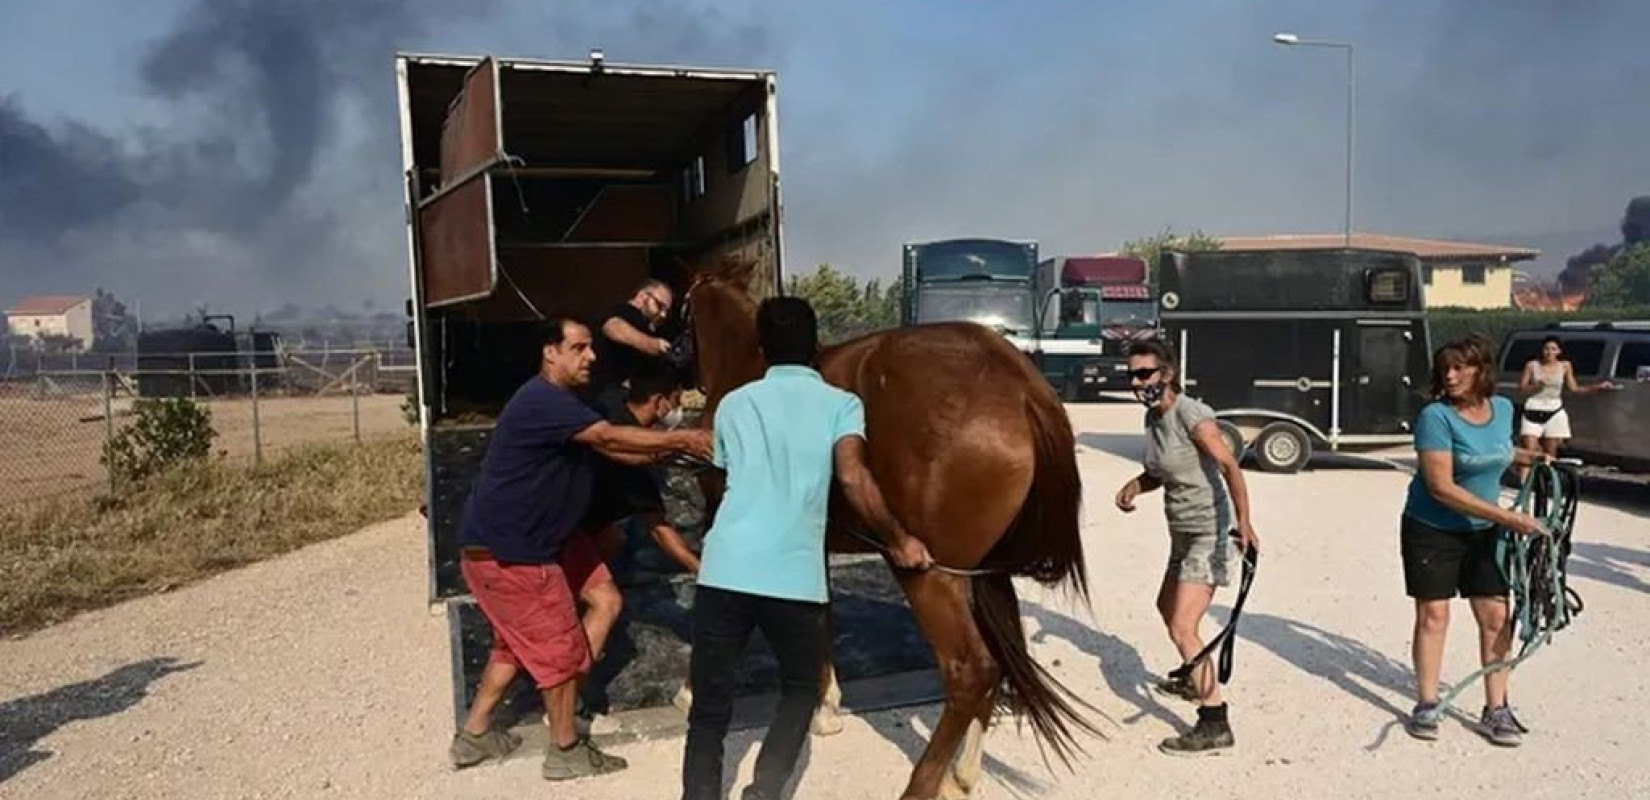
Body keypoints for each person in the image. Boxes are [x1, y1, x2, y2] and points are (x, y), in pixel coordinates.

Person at [681, 297, 933, 800]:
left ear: (762, 346)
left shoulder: (733, 403)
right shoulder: (841, 405)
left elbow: (725, 472)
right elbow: (854, 477)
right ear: (815, 343)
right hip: (793, 579)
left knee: (710, 703)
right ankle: (765, 791)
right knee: (799, 691)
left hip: (724, 570)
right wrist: (899, 540)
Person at [448, 316, 712, 781]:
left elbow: (616, 450)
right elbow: (610, 438)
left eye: (591, 347)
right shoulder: (543, 401)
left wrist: (670, 451)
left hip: (546, 539)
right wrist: (682, 436)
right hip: (511, 551)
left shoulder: (568, 404)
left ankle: (474, 735)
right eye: (580, 347)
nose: (591, 356)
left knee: (591, 606)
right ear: (551, 352)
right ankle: (565, 748)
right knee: (559, 649)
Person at [1401, 335, 1550, 747]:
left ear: (1481, 370)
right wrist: (1509, 517)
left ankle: (1497, 708)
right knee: (1434, 616)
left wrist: (1537, 460)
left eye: (1460, 367)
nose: (1450, 376)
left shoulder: (1502, 409)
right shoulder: (1435, 417)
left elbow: (1497, 452)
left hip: (1485, 531)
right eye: (1445, 368)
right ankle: (1427, 703)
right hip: (1433, 528)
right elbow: (1441, 486)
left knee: (1496, 618)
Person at [1113, 339, 1259, 757]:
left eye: (1145, 373)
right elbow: (1161, 471)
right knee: (1166, 607)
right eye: (1132, 375)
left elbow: (1229, 465)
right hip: (1181, 532)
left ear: (1167, 374)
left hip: (1209, 533)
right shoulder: (1151, 419)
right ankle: (1195, 676)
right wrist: (1134, 487)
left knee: (1182, 626)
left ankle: (1215, 722)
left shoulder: (1190, 414)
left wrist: (1244, 523)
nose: (1137, 382)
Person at [1516, 335, 1618, 480]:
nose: (1549, 352)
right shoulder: (1532, 365)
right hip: (1533, 409)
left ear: (1559, 351)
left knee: (1550, 452)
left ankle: (1547, 481)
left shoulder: (1564, 366)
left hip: (1554, 409)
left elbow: (1574, 388)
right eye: (1546, 349)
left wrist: (1597, 387)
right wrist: (1536, 387)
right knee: (1529, 450)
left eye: (1553, 349)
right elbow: (1521, 389)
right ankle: (1524, 483)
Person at [589, 278, 677, 404]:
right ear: (642, 296)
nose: (663, 315)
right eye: (659, 305)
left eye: (667, 311)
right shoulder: (625, 312)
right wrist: (653, 344)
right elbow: (612, 326)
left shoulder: (646, 324)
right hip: (610, 398)